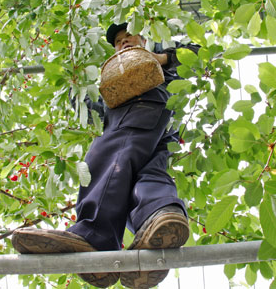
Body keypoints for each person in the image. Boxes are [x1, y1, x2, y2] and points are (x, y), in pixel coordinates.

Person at [12, 23, 199, 289]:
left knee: (109, 156)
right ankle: (159, 215)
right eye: (118, 41)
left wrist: (159, 58)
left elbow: (197, 54)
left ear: (145, 39)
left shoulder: (159, 61)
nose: (123, 42)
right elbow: (96, 111)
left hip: (142, 106)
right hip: (160, 127)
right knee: (147, 172)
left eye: (129, 37)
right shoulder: (119, 81)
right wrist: (77, 92)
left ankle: (95, 234)